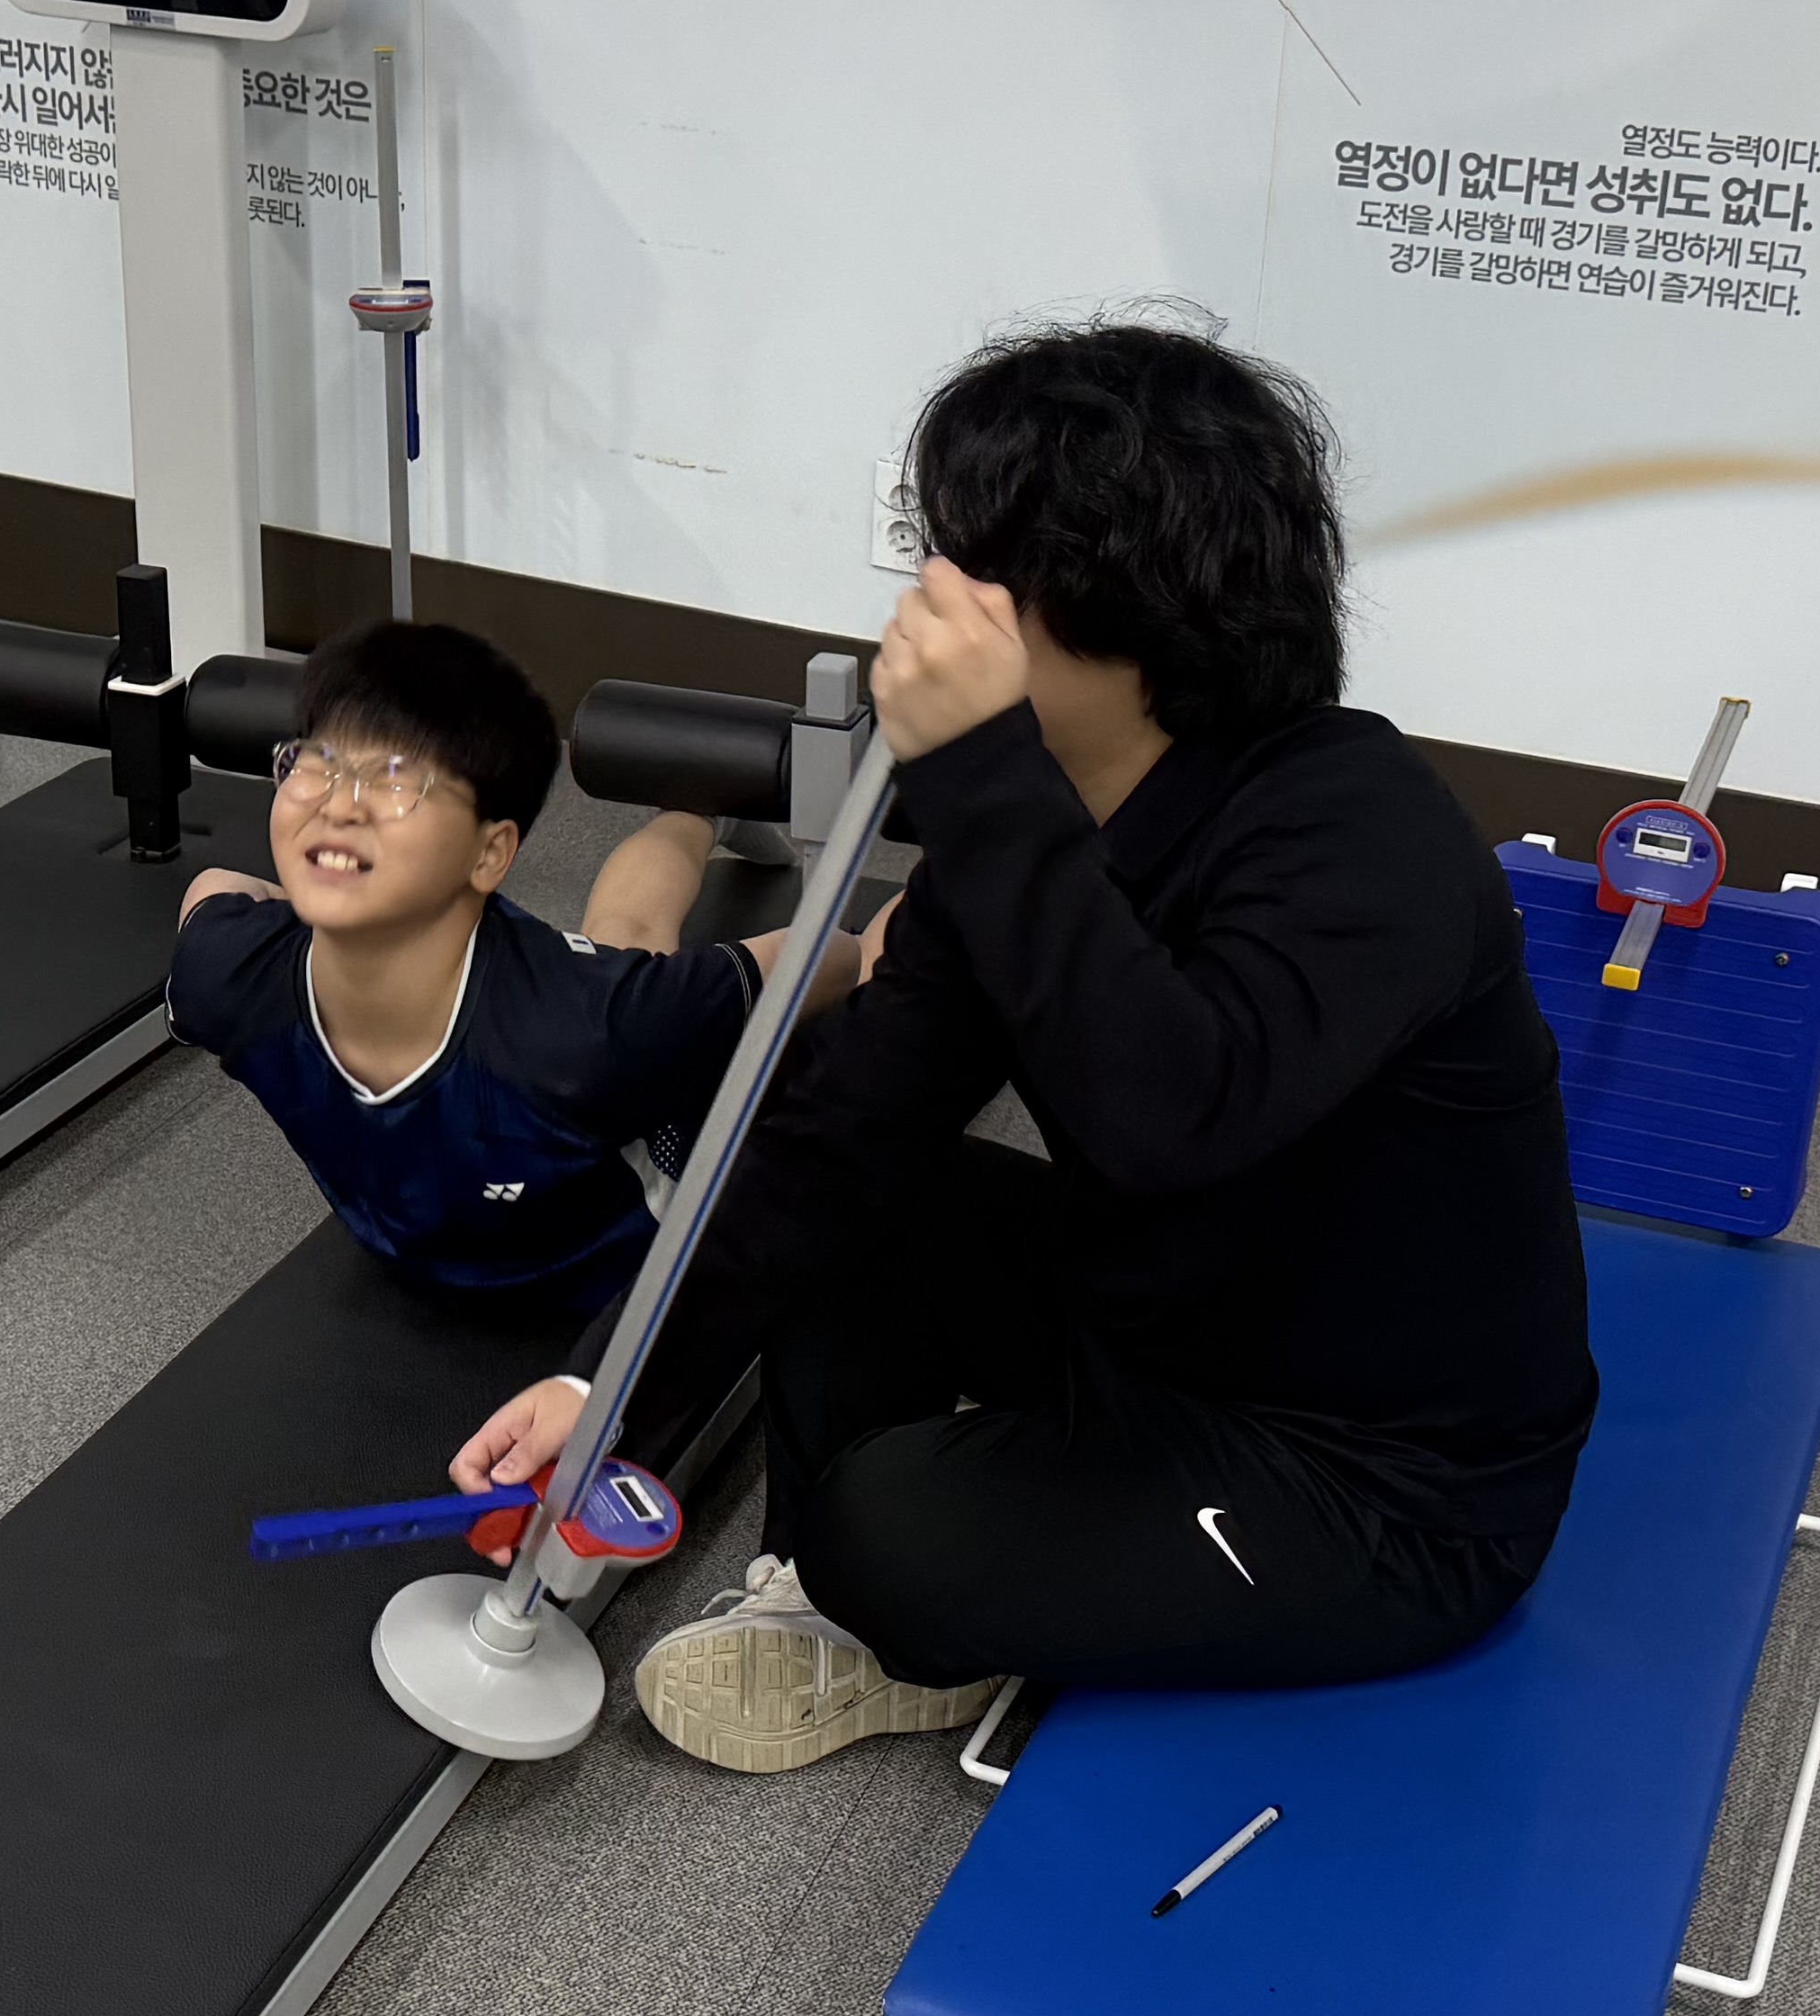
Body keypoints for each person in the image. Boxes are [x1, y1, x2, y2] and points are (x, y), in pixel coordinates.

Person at [452, 319, 1599, 1772]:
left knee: (893, 1531)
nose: (927, 606)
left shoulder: (1364, 834)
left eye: (966, 569)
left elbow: (1168, 1117)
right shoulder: (1036, 817)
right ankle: (842, 1582)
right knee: (867, 1182)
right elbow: (839, 1129)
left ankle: (902, 1584)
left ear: (1118, 601)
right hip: (1164, 1322)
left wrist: (982, 769)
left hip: (1382, 1477)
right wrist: (605, 1387)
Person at [170, 618, 810, 1313]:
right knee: (621, 942)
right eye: (318, 763)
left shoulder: (591, 1034)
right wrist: (347, 913)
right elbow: (213, 890)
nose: (339, 806)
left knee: (632, 943)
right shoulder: (225, 974)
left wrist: (882, 953)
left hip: (614, 1269)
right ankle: (697, 806)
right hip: (422, 1245)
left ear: (490, 853)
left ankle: (701, 807)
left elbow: (817, 960)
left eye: (394, 782)